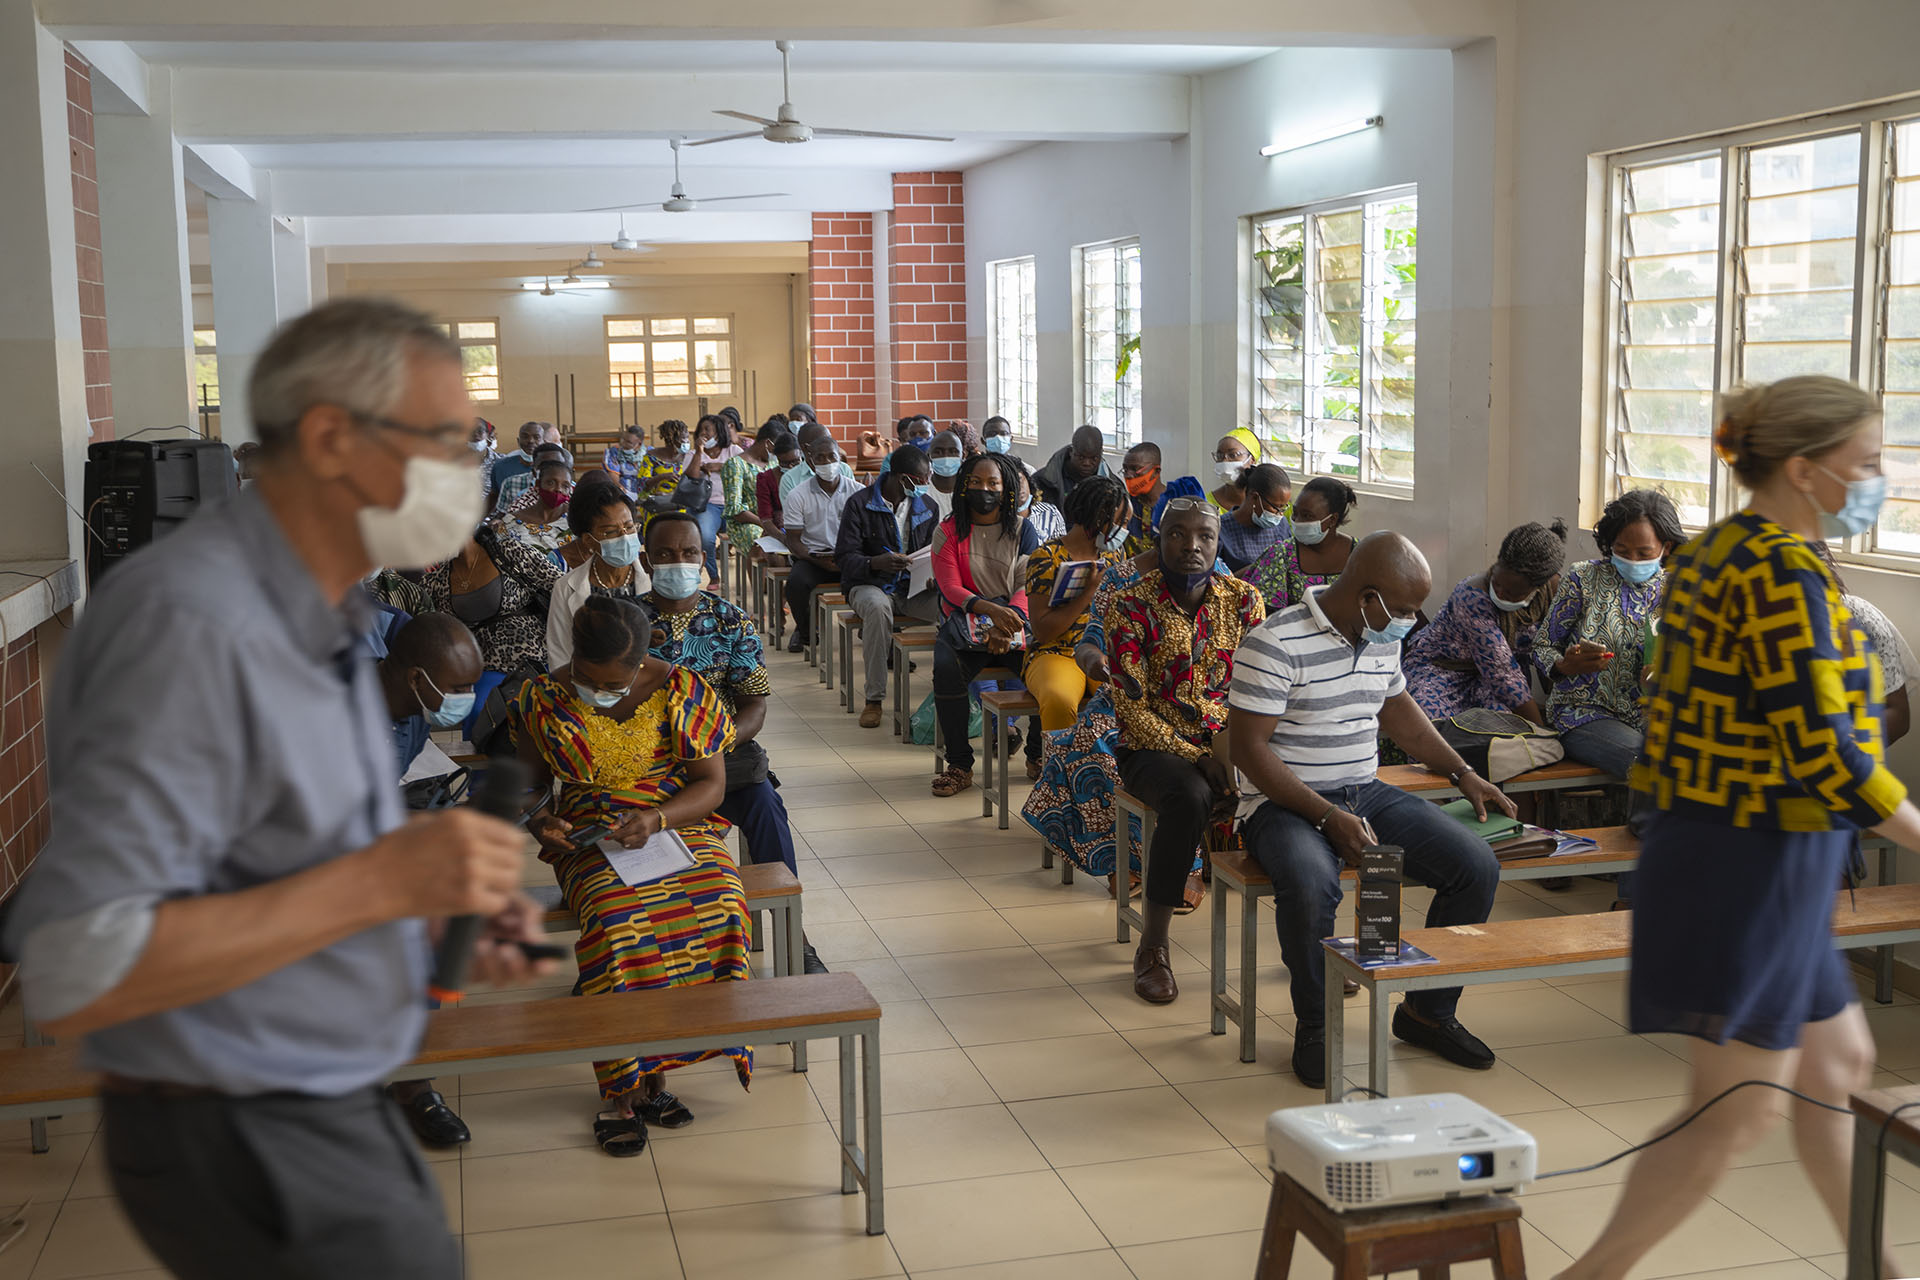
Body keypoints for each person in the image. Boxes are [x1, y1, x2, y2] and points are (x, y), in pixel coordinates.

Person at [0, 298, 549, 1279]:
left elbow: (283, 862)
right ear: (334, 437)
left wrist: (422, 909)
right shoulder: (196, 620)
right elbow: (80, 961)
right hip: (239, 1113)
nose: (470, 470)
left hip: (333, 1086)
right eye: (446, 438)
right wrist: (385, 884)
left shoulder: (339, 611)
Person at [1559, 378, 1920, 1280]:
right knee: (1734, 1111)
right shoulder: (1777, 570)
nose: (1879, 479)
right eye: (1866, 463)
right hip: (1743, 863)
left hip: (1766, 854)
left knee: (1837, 1069)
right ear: (1803, 468)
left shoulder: (1736, 547)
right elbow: (1826, 753)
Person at [1228, 532, 1513, 1088]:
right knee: (1312, 885)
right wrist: (1324, 816)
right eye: (1404, 609)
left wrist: (1463, 773)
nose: (1412, 620)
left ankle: (1426, 1013)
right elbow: (1249, 751)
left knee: (1475, 866)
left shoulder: (1379, 635)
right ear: (1366, 597)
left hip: (1364, 790)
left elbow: (1398, 710)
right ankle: (1315, 1024)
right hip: (1280, 802)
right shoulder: (1274, 642)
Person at [515, 596, 754, 1157]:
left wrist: (655, 818)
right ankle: (623, 1088)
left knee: (720, 899)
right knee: (619, 922)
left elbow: (710, 787)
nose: (599, 691)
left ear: (645, 660)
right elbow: (526, 786)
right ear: (573, 658)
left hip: (675, 824)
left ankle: (661, 1063)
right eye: (588, 679)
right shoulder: (541, 697)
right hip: (589, 832)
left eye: (615, 683)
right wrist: (541, 821)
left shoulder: (684, 690)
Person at [1106, 499, 1267, 1001]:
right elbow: (1131, 708)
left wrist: (1238, 753)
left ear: (1219, 544)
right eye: (1177, 534)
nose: (1191, 545)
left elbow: (1260, 689)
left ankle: (1310, 941)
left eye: (1205, 536)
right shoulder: (1130, 605)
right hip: (1153, 747)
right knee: (1191, 797)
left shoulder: (1244, 601)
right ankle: (1152, 947)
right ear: (1158, 538)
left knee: (1290, 791)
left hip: (1229, 743)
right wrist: (1195, 754)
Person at [373, 613, 485, 1150]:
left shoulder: (408, 709)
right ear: (418, 678)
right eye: (459, 687)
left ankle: (410, 1078)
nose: (466, 697)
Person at [1534, 488, 1684, 787]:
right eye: (1621, 550)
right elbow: (1542, 646)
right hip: (1586, 714)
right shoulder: (1583, 579)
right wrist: (1565, 665)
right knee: (1650, 762)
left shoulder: (1680, 592)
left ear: (1665, 547)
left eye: (1644, 553)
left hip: (1656, 716)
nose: (1632, 559)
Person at [929, 453, 1040, 797]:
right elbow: (950, 587)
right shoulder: (947, 531)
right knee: (946, 668)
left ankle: (1038, 755)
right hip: (965, 616)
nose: (984, 489)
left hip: (1013, 618)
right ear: (963, 487)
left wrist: (1008, 623)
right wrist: (990, 611)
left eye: (993, 483)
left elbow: (1026, 584)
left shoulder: (1023, 530)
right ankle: (960, 764)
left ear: (1006, 489)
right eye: (975, 482)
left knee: (1046, 667)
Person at [1404, 519, 1570, 722]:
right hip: (1443, 669)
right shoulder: (1472, 597)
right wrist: (1540, 732)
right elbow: (1502, 674)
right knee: (1432, 723)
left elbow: (1552, 646)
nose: (1499, 593)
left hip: (1493, 680)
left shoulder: (1554, 591)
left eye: (1511, 593)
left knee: (1503, 724)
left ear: (1537, 587)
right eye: (1497, 583)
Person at [1023, 475, 1130, 776]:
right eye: (1120, 522)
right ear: (1098, 519)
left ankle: (1111, 779)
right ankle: (1061, 782)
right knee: (1059, 698)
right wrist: (1087, 594)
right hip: (1054, 652)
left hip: (1100, 649)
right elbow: (1042, 630)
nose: (1124, 531)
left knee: (1125, 694)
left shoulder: (1114, 555)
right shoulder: (1045, 557)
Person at [837, 445, 939, 729]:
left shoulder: (928, 506)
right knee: (879, 609)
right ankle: (874, 699)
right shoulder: (860, 503)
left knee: (951, 607)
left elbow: (934, 551)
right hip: (870, 584)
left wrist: (932, 575)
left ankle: (948, 691)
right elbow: (845, 558)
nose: (925, 485)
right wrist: (875, 563)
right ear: (902, 478)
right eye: (921, 480)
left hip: (913, 587)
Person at [422, 523, 562, 677]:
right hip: (487, 673)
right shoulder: (434, 583)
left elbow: (564, 588)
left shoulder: (509, 552)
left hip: (541, 657)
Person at [548, 479, 652, 666]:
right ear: (588, 540)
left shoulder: (653, 576)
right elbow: (560, 655)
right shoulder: (566, 587)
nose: (625, 537)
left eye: (629, 527)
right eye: (611, 532)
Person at [1241, 475, 1359, 613]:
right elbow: (1263, 613)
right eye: (1295, 513)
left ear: (1332, 519)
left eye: (1307, 515)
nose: (1298, 521)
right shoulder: (1281, 555)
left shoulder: (1359, 554)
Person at [782, 434, 854, 653]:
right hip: (813, 557)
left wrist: (847, 559)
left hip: (849, 556)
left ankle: (881, 637)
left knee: (879, 581)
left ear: (840, 458)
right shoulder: (797, 495)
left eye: (831, 456)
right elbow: (793, 541)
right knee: (795, 584)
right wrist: (821, 562)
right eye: (820, 458)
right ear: (811, 462)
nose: (827, 463)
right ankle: (805, 631)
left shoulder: (857, 491)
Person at [721, 418, 784, 559]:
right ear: (768, 444)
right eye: (778, 449)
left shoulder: (774, 464)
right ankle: (759, 581)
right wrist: (766, 524)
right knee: (759, 541)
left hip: (773, 519)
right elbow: (735, 509)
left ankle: (780, 578)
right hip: (746, 522)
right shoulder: (735, 465)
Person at [495, 454, 574, 562]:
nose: (558, 489)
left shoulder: (576, 520)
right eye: (551, 483)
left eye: (565, 486)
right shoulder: (510, 522)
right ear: (538, 484)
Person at [687, 413, 739, 576]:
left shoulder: (733, 450)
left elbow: (745, 470)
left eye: (708, 430)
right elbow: (691, 477)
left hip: (733, 504)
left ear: (719, 432)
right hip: (707, 506)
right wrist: (698, 452)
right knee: (706, 537)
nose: (704, 434)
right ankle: (714, 575)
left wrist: (720, 466)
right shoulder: (692, 454)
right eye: (701, 430)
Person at [1216, 462, 1293, 572]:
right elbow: (1216, 581)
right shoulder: (1221, 530)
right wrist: (1258, 568)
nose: (1279, 514)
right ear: (1254, 497)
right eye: (1276, 507)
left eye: (1283, 507)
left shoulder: (1281, 526)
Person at [1120, 441, 1205, 539]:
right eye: (1125, 469)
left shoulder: (1178, 501)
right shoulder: (1125, 504)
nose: (1128, 475)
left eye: (1135, 469)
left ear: (1156, 471)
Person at [1034, 424, 1111, 509]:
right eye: (1081, 457)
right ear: (1071, 451)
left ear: (1101, 454)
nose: (1087, 463)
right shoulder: (1042, 481)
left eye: (1094, 458)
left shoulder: (1113, 487)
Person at [494, 440, 572, 514]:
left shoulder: (574, 493)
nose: (558, 489)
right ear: (534, 470)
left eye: (556, 464)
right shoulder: (522, 497)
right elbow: (505, 517)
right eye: (544, 465)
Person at [487, 419, 545, 509]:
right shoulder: (501, 466)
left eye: (536, 437)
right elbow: (494, 497)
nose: (530, 441)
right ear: (518, 441)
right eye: (525, 437)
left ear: (543, 442)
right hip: (511, 519)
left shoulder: (551, 469)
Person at [755, 430, 802, 536]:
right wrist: (783, 539)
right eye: (784, 463)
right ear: (777, 459)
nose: (790, 467)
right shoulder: (766, 479)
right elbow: (766, 518)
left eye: (795, 462)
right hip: (777, 531)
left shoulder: (808, 474)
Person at [1207, 428, 1264, 512]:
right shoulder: (1206, 503)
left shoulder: (1269, 504)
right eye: (1219, 455)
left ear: (1252, 459)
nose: (1224, 461)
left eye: (1233, 455)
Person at [779, 420, 835, 504]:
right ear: (806, 448)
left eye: (830, 439)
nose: (830, 444)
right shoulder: (790, 479)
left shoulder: (844, 469)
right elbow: (793, 514)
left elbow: (852, 507)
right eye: (823, 442)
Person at [925, 429, 966, 517]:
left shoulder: (969, 489)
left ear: (963, 456)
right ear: (929, 456)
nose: (946, 456)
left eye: (953, 451)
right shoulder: (922, 493)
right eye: (938, 452)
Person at [602, 423, 648, 501]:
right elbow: (613, 473)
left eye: (628, 442)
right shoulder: (615, 452)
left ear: (639, 444)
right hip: (622, 493)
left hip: (644, 494)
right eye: (623, 440)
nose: (623, 444)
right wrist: (621, 490)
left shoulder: (648, 454)